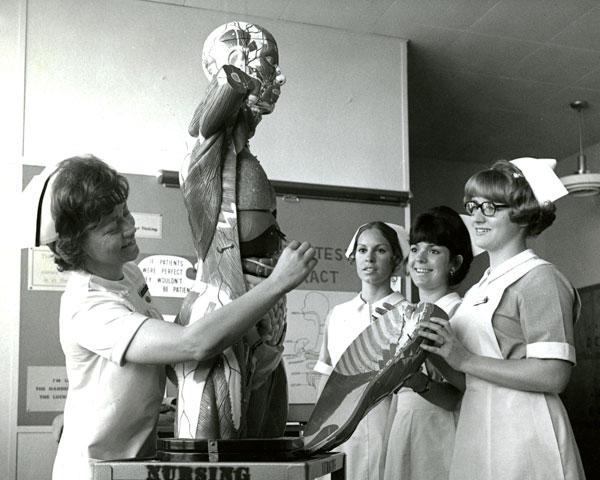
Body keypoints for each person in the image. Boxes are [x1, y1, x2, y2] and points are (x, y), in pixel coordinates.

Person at [22, 155, 317, 480]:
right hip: (94, 471)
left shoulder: (129, 276)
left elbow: (167, 353)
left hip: (131, 462)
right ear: (73, 245)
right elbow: (192, 345)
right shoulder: (89, 306)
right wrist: (277, 285)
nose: (129, 227)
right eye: (112, 227)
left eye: (125, 213)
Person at [419, 158, 586, 479]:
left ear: (522, 214)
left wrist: (463, 358)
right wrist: (429, 353)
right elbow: (473, 381)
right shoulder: (482, 286)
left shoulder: (539, 278)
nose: (476, 216)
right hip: (479, 431)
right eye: (473, 205)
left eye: (490, 207)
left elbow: (553, 375)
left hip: (526, 436)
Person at [383, 206, 473, 480]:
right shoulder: (406, 314)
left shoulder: (463, 314)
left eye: (433, 250)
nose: (420, 258)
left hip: (440, 432)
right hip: (403, 425)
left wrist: (417, 379)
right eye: (415, 248)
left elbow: (463, 393)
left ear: (454, 263)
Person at [314, 221, 409, 480]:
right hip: (338, 434)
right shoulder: (339, 314)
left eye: (380, 250)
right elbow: (326, 374)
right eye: (362, 250)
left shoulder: (407, 314)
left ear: (395, 259)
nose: (369, 258)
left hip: (387, 428)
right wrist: (319, 431)